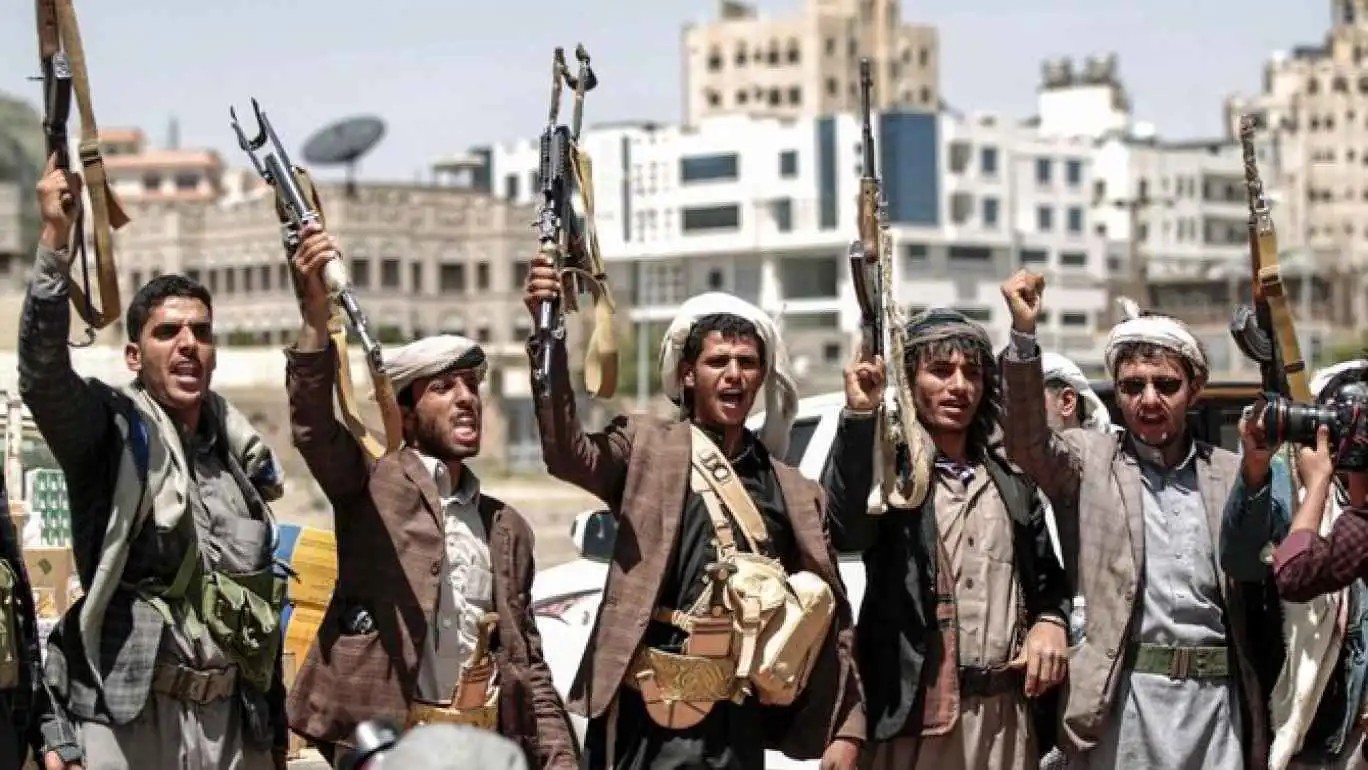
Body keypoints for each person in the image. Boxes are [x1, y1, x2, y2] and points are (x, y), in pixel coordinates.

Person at [524, 250, 873, 770]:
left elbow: (846, 544)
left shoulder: (787, 486)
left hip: (736, 724)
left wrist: (861, 418)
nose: (734, 375)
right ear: (688, 375)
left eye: (747, 363)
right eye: (718, 362)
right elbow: (567, 454)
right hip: (647, 719)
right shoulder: (647, 448)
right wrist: (548, 333)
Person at [21, 158, 290, 769]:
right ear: (134, 355)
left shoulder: (237, 459)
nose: (188, 344)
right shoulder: (111, 432)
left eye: (201, 332)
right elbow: (42, 377)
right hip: (133, 719)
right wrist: (56, 243)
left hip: (232, 721)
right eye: (168, 332)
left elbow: (258, 608)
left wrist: (273, 735)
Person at [282, 225, 578, 769]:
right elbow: (313, 428)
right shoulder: (372, 487)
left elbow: (528, 664)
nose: (466, 399)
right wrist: (314, 319)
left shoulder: (507, 528)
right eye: (443, 388)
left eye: (472, 386)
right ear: (406, 413)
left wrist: (560, 760)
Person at [998, 271, 1273, 769]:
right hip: (1125, 703)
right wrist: (1022, 335)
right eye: (1132, 386)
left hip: (1216, 709)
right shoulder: (1091, 460)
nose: (1148, 400)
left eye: (1166, 385)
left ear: (1194, 390)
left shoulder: (1231, 471)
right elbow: (1026, 444)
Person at [831, 308, 1071, 770]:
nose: (959, 386)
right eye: (940, 371)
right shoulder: (894, 480)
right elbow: (845, 529)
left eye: (972, 373)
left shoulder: (1009, 480)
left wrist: (1050, 621)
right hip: (916, 719)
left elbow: (1047, 579)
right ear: (909, 381)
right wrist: (861, 416)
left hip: (1005, 723)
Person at [1222, 360, 1368, 770]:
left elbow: (1298, 572)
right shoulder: (1286, 483)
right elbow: (1240, 561)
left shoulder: (1355, 512)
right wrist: (1255, 469)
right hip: (1313, 729)